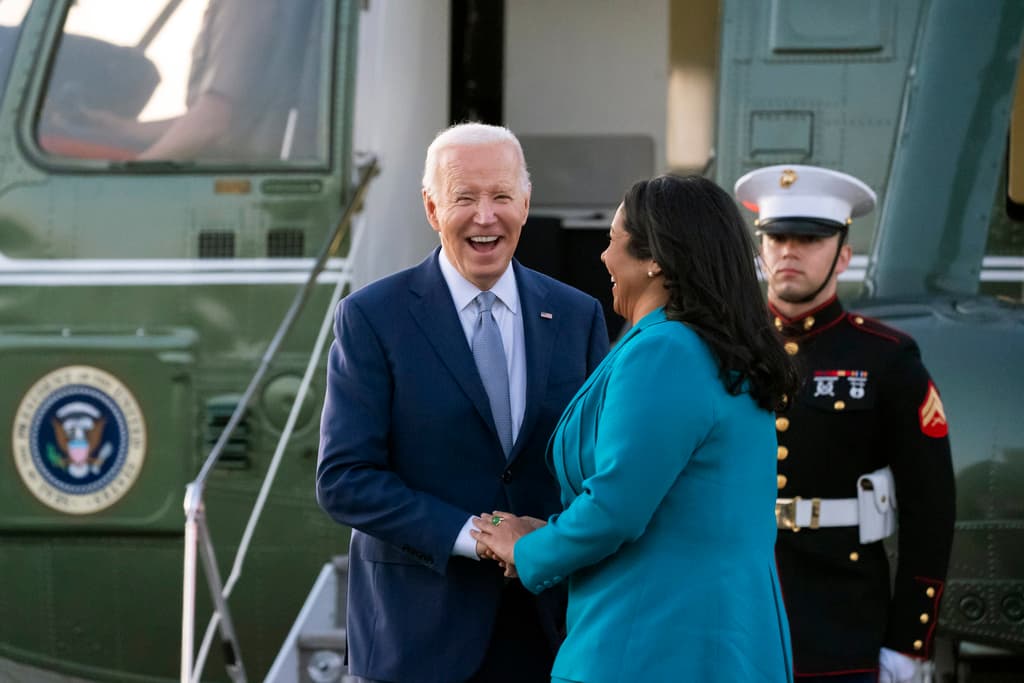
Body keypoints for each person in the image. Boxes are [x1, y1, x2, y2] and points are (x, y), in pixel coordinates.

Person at [472, 174, 797, 682]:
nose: (603, 257)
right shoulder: (708, 345)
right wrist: (556, 533)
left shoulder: (666, 350)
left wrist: (527, 548)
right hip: (712, 641)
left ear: (655, 259)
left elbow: (616, 510)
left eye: (612, 240)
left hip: (656, 645)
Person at [315, 122, 609, 683]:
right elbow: (344, 479)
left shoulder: (577, 315)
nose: (485, 216)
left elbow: (598, 467)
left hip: (550, 634)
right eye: (464, 197)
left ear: (526, 204)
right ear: (431, 207)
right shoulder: (373, 318)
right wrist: (476, 536)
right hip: (417, 638)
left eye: (501, 196)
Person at [734, 165, 956, 683]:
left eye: (809, 238)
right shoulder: (727, 350)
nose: (789, 251)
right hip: (738, 616)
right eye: (777, 237)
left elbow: (931, 510)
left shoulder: (886, 358)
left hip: (843, 625)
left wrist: (910, 642)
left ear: (844, 256)